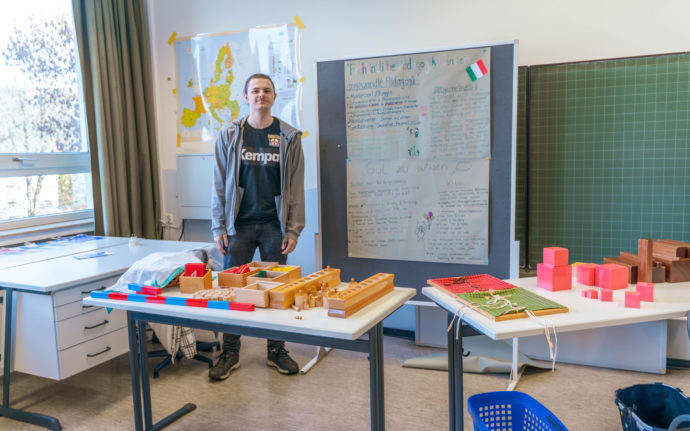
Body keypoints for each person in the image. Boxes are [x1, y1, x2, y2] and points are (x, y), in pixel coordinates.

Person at [210, 73, 305, 380]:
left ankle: (276, 350)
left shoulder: (289, 137)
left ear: (274, 96)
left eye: (266, 90)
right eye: (255, 91)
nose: (261, 95)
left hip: (273, 226)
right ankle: (230, 352)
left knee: (277, 290)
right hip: (238, 226)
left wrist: (293, 229)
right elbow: (219, 183)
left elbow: (295, 187)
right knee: (231, 290)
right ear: (246, 97)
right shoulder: (230, 134)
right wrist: (218, 226)